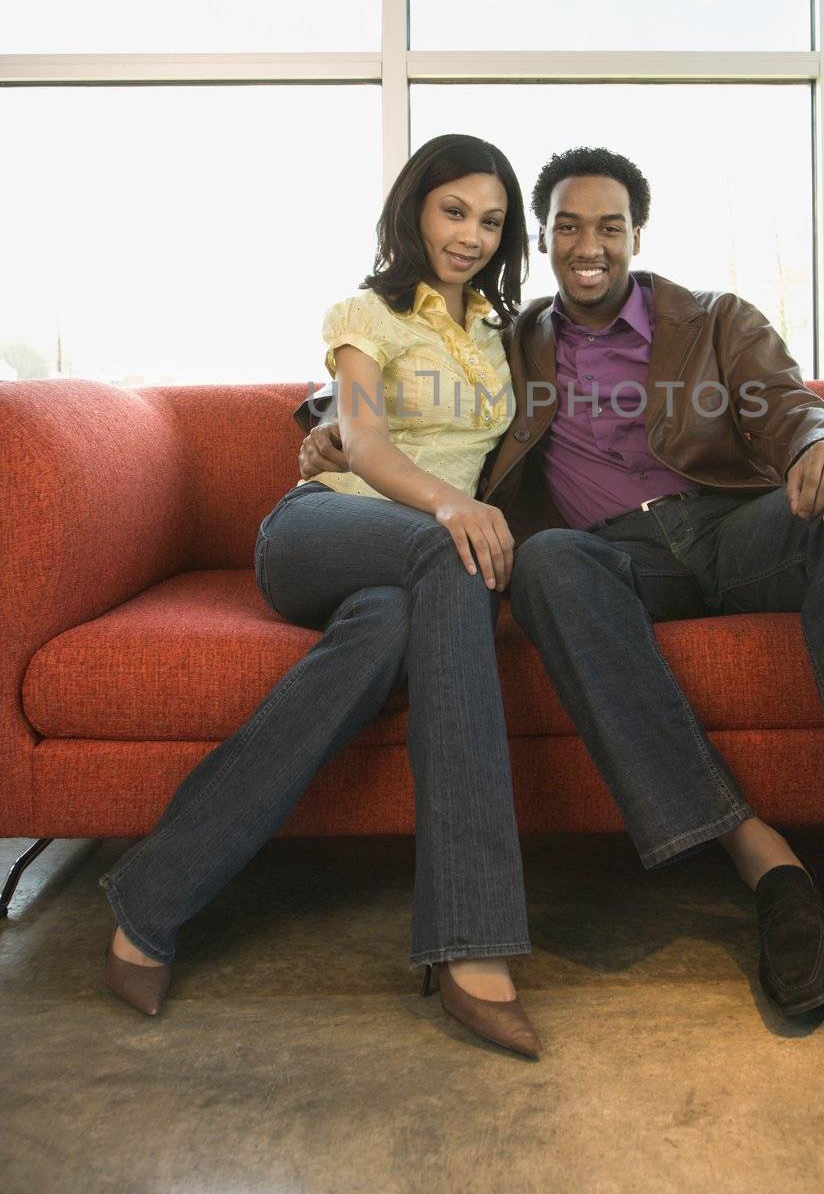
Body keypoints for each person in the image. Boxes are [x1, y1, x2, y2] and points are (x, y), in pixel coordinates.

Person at [301, 145, 824, 1053]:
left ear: (634, 236)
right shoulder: (513, 333)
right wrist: (327, 423)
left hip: (730, 530)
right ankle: (759, 859)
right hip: (614, 560)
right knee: (544, 565)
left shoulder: (714, 320)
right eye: (566, 227)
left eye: (607, 226)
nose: (588, 244)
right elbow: (411, 372)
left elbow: (784, 400)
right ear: (540, 242)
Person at [99, 134, 543, 1060]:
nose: (469, 234)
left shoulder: (505, 336)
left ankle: (155, 893)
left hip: (408, 566)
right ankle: (473, 935)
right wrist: (449, 504)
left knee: (387, 628)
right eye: (453, 210)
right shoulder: (363, 314)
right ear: (416, 209)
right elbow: (367, 445)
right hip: (318, 532)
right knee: (453, 559)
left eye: (490, 221)